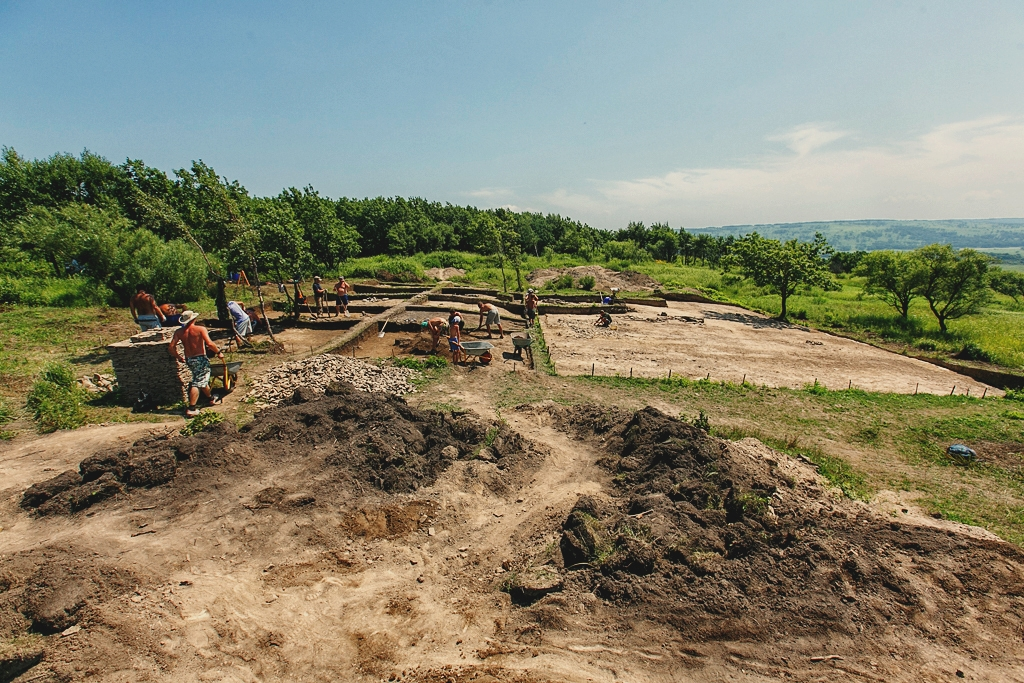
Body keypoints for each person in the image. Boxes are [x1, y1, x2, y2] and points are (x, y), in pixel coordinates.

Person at [168, 310, 224, 417]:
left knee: (201, 379)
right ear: (194, 319)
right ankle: (191, 408)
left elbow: (171, 347)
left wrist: (178, 357)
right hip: (200, 358)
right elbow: (209, 343)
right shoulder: (200, 329)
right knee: (197, 382)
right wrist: (218, 352)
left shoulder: (179, 332)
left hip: (189, 359)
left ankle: (210, 398)